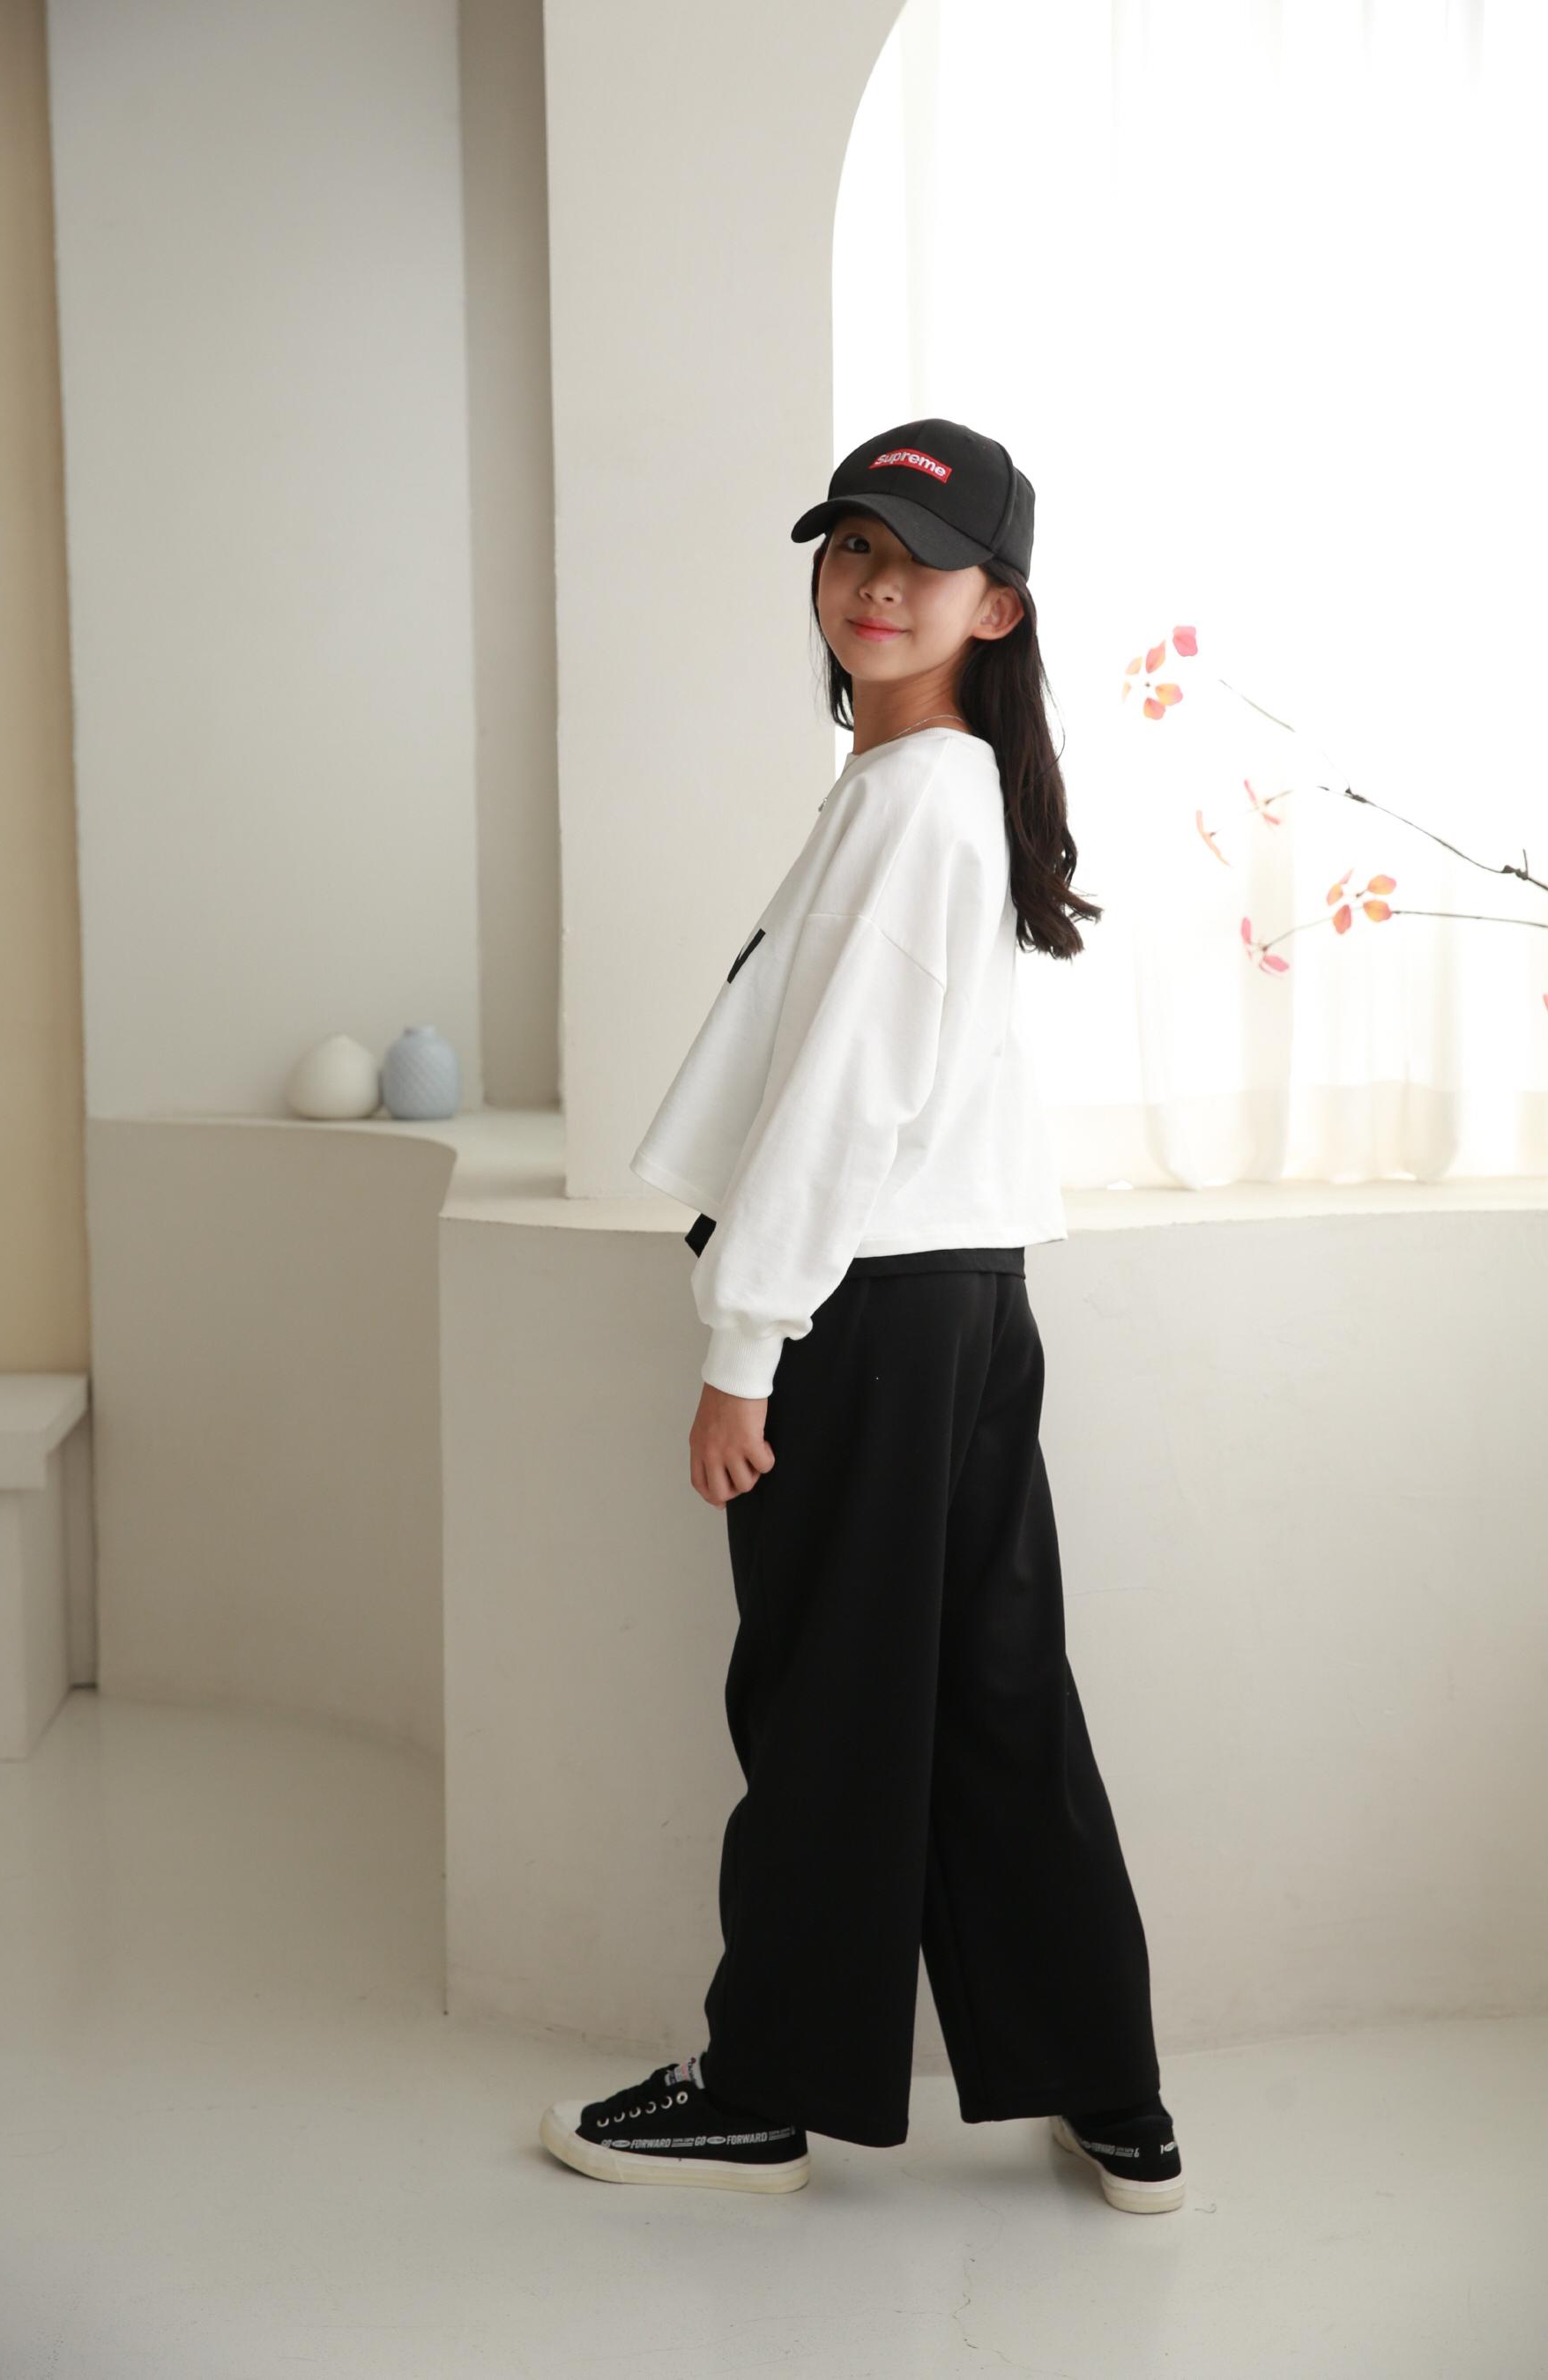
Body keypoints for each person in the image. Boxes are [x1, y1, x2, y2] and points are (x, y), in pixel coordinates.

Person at [539, 418, 1184, 2213]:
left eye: (920, 559)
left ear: (999, 605)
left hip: (874, 1310)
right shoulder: (928, 793)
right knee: (990, 1695)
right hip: (960, 1296)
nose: (876, 584)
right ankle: (1110, 2090)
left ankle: (766, 2094)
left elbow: (843, 1104)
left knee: (827, 1698)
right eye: (851, 548)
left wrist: (744, 1346)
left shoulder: (920, 805)